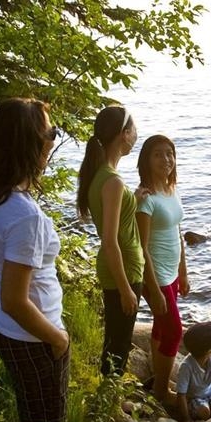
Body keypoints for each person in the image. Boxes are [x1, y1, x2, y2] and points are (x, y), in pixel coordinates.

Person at [0, 98, 69, 422]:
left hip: (1, 321)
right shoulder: (27, 216)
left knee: (32, 415)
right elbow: (16, 299)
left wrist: (4, 281)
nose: (53, 140)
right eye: (51, 133)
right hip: (32, 334)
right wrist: (56, 337)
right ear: (32, 144)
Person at [76, 105, 144, 377]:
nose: (137, 136)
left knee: (114, 339)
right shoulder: (113, 182)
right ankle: (110, 408)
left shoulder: (102, 176)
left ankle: (109, 401)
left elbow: (111, 218)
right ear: (124, 134)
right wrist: (125, 288)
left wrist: (134, 201)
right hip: (122, 271)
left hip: (119, 269)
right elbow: (109, 241)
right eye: (134, 130)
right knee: (119, 344)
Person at [135, 134, 189, 405]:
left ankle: (159, 379)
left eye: (170, 153)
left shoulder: (170, 190)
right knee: (174, 331)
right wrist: (153, 289)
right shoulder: (146, 199)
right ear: (146, 159)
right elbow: (141, 248)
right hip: (155, 274)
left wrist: (184, 272)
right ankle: (160, 393)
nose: (166, 159)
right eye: (158, 154)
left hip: (171, 272)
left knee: (161, 325)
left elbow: (177, 233)